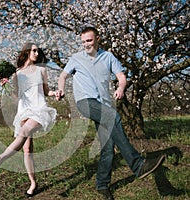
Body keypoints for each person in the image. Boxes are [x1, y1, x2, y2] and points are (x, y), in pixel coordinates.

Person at [56, 27, 165, 200]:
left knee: (108, 147)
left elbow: (121, 76)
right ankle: (138, 165)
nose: (86, 44)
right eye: (83, 41)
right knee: (113, 117)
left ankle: (102, 184)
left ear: (97, 39)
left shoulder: (108, 57)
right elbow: (62, 76)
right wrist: (60, 90)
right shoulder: (76, 59)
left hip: (103, 104)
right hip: (86, 102)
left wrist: (121, 87)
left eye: (89, 40)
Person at [0, 43, 57, 197]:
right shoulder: (17, 73)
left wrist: (56, 93)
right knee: (27, 150)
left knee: (25, 131)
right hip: (23, 112)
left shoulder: (41, 70)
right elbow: (16, 98)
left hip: (39, 110)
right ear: (26, 53)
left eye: (38, 51)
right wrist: (6, 88)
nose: (36, 53)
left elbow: (47, 91)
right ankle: (33, 183)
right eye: (33, 50)